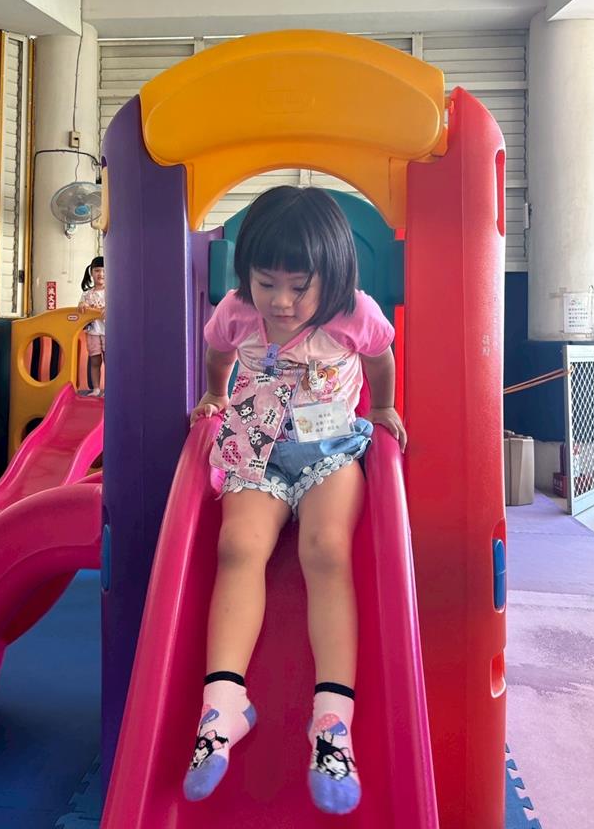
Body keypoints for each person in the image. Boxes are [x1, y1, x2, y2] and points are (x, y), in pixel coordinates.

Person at [183, 186, 406, 815]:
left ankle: (331, 722)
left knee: (327, 551)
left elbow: (381, 357)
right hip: (258, 447)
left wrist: (383, 408)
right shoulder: (236, 311)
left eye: (298, 287)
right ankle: (224, 704)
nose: (280, 301)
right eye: (266, 283)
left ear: (329, 278)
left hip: (330, 449)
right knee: (237, 546)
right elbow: (218, 352)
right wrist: (214, 394)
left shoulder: (352, 313)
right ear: (246, 275)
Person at [78, 256, 105, 396]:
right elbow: (80, 308)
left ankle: (110, 389)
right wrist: (82, 304)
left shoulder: (112, 291)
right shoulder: (87, 294)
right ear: (91, 273)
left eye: (104, 271)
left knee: (110, 361)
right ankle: (96, 388)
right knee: (95, 361)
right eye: (97, 270)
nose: (101, 274)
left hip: (108, 333)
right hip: (93, 332)